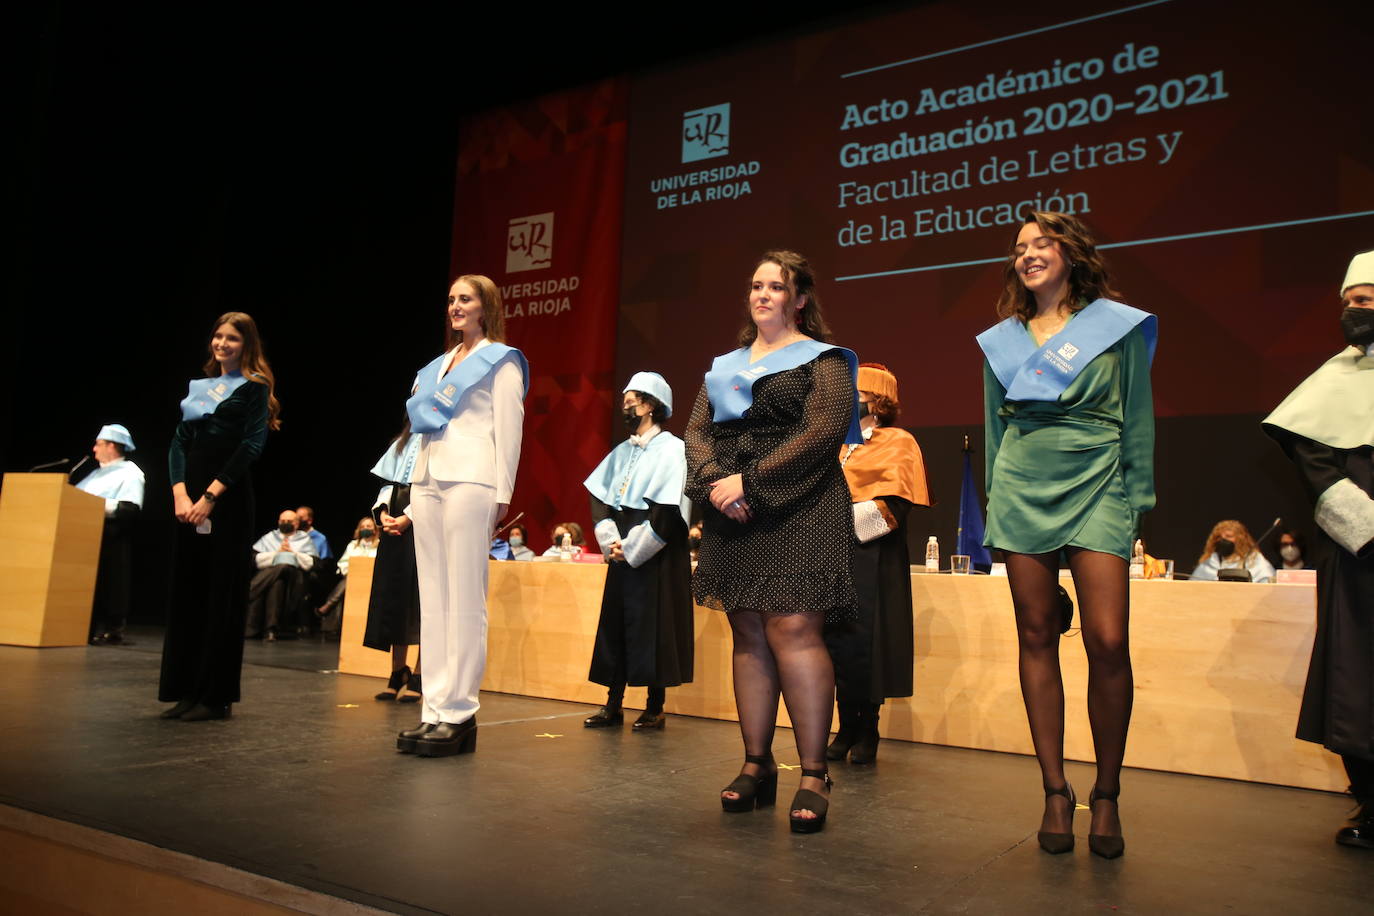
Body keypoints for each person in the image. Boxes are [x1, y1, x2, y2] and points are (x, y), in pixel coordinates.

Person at [977, 212, 1156, 858]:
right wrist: (997, 506)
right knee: (1036, 633)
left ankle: (1105, 794)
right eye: (1019, 248)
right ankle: (1056, 790)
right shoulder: (1003, 341)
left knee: (1108, 639)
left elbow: (1137, 417)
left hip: (1101, 480)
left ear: (1071, 253)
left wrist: (1139, 501)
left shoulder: (1116, 328)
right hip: (1024, 484)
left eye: (1041, 243)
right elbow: (997, 430)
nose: (1028, 254)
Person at [684, 250, 860, 834]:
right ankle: (757, 765)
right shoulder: (724, 365)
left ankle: (813, 774)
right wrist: (715, 485)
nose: (762, 295)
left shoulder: (825, 360)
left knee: (793, 628)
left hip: (800, 503)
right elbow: (696, 432)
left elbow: (823, 431)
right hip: (731, 510)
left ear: (799, 299)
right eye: (756, 286)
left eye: (776, 287)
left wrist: (752, 482)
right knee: (749, 629)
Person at [1262, 248, 1374, 849]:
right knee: (1357, 681)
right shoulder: (1330, 383)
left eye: (1366, 302)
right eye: (1349, 304)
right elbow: (1319, 468)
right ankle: (1372, 804)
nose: (1354, 313)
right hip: (1360, 557)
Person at [396, 274, 527, 757]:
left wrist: (503, 495)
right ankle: (433, 708)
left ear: (485, 307)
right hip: (428, 480)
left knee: (466, 599)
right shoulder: (438, 366)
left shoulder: (502, 361)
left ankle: (459, 712)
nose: (455, 306)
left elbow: (509, 430)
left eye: (465, 299)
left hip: (474, 480)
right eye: (451, 298)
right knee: (433, 597)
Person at [159, 311, 280, 722]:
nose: (222, 344)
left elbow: (251, 446)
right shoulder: (200, 388)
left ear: (246, 345)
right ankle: (185, 689)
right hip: (187, 500)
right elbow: (178, 442)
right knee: (189, 591)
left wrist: (210, 496)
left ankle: (215, 696)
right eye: (218, 336)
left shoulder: (254, 389)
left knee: (219, 596)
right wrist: (180, 492)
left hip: (225, 501)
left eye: (232, 338)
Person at [824, 363, 930, 765]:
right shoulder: (834, 444)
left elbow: (895, 507)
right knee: (833, 645)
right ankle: (843, 726)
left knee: (865, 645)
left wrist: (837, 520)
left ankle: (867, 728)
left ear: (877, 401)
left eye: (858, 395)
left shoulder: (897, 442)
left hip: (872, 556)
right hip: (829, 558)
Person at [582, 372, 694, 730]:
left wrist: (633, 548)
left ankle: (654, 706)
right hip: (620, 547)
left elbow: (667, 511)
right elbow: (600, 498)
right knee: (616, 625)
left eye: (632, 399)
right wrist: (608, 538)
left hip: (655, 550)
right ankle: (612, 703)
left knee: (654, 626)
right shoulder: (622, 451)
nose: (625, 405)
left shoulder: (673, 449)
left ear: (650, 405)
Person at [365, 429, 424, 702]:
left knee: (422, 602)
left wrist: (409, 518)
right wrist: (385, 514)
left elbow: (431, 487)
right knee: (396, 600)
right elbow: (389, 485)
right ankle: (397, 671)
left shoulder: (439, 440)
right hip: (395, 533)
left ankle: (421, 676)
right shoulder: (399, 442)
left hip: (425, 528)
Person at [73, 423, 145, 645]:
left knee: (110, 584)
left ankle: (111, 628)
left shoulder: (131, 472)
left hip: (109, 537)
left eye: (99, 444)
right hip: (81, 536)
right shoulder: (94, 474)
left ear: (112, 446)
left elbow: (129, 508)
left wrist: (93, 506)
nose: (94, 449)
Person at [244, 508, 319, 640]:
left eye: (289, 521)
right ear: (278, 522)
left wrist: (292, 553)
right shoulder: (270, 537)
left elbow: (312, 563)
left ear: (296, 523)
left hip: (295, 577)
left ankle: (250, 590)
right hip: (272, 576)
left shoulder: (304, 538)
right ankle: (270, 629)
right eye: (283, 520)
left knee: (284, 566)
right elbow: (254, 559)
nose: (285, 523)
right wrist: (276, 553)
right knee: (277, 582)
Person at [316, 516, 380, 636]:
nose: (365, 528)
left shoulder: (380, 545)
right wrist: (352, 570)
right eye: (363, 526)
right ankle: (333, 625)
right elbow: (343, 563)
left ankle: (328, 606)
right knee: (348, 582)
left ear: (375, 529)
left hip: (372, 581)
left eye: (369, 526)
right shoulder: (353, 545)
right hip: (353, 579)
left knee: (345, 584)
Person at [1190, 520, 1276, 583]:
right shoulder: (1210, 562)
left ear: (1240, 539)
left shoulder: (1253, 560)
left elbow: (1267, 583)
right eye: (1219, 537)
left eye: (1228, 536)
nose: (1223, 540)